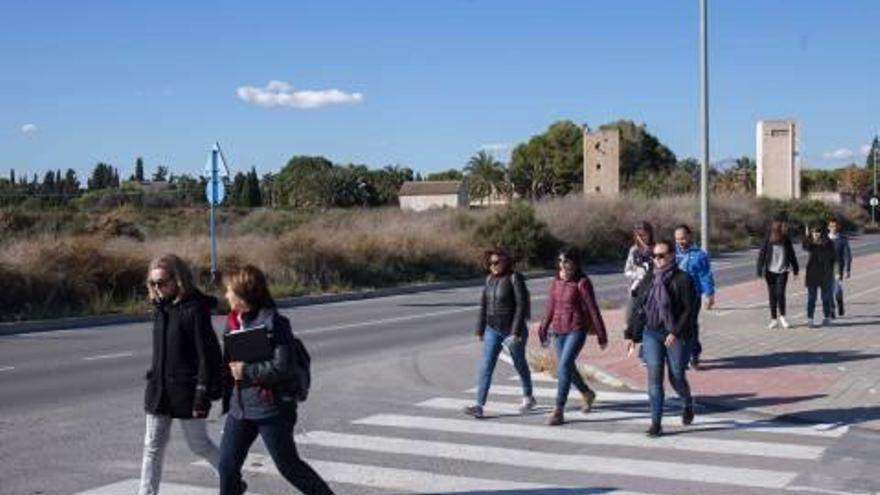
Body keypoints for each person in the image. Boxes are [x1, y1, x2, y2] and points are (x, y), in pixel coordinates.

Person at [219, 265, 334, 495]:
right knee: (227, 466)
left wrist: (247, 371)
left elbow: (283, 367)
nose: (225, 295)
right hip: (240, 408)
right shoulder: (232, 322)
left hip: (271, 409)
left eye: (229, 290)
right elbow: (227, 364)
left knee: (288, 466)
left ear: (243, 294)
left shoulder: (275, 323)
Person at [140, 254, 223, 495]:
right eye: (153, 283)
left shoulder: (194, 309)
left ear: (178, 280)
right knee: (152, 447)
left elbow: (207, 355)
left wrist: (202, 393)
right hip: (159, 391)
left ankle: (231, 479)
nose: (157, 288)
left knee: (199, 446)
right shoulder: (160, 308)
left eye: (162, 282)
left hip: (187, 392)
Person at [625, 240, 697, 438]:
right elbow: (640, 308)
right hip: (652, 333)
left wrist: (676, 332)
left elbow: (689, 310)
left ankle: (687, 402)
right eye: (654, 256)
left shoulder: (684, 279)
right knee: (654, 377)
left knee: (676, 376)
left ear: (672, 255)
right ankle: (656, 423)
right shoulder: (649, 279)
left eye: (662, 255)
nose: (657, 260)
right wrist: (631, 334)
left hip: (676, 334)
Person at [538, 247, 608, 426]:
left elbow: (593, 309)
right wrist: (543, 328)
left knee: (563, 366)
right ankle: (587, 393)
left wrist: (601, 333)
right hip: (558, 331)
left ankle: (558, 410)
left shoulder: (582, 283)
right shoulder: (555, 282)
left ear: (575, 264)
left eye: (567, 261)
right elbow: (550, 308)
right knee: (567, 367)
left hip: (576, 329)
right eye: (560, 261)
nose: (562, 265)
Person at [464, 248, 536, 418]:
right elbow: (484, 306)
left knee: (519, 363)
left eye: (497, 262)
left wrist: (516, 331)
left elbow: (521, 305)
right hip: (492, 329)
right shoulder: (488, 279)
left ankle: (528, 396)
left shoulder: (514, 278)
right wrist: (480, 329)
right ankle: (479, 405)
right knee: (486, 366)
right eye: (490, 263)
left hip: (512, 329)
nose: (493, 266)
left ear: (506, 262)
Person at [674, 224, 715, 369]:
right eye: (678, 239)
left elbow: (705, 275)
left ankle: (694, 355)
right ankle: (679, 355)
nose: (680, 242)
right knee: (676, 326)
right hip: (674, 296)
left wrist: (709, 295)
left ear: (689, 236)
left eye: (683, 238)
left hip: (692, 296)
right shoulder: (671, 253)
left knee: (690, 325)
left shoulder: (699, 255)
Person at [756, 220, 799, 329]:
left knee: (780, 293)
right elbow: (762, 254)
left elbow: (792, 255)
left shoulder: (786, 240)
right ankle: (773, 319)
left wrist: (796, 269)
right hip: (770, 271)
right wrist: (759, 270)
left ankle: (783, 317)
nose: (779, 231)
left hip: (782, 270)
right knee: (772, 295)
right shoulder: (768, 239)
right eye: (777, 230)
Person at [624, 222, 655, 366]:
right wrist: (638, 274)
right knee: (633, 318)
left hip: (653, 289)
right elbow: (627, 270)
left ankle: (646, 351)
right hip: (637, 289)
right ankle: (635, 341)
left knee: (649, 320)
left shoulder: (656, 249)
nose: (642, 238)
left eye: (644, 234)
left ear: (650, 234)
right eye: (639, 235)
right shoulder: (633, 250)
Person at [803, 225, 837, 328]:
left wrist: (833, 272)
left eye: (818, 232)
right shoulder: (811, 244)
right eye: (814, 232)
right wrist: (807, 235)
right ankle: (810, 319)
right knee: (811, 298)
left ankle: (827, 317)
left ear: (821, 233)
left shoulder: (828, 243)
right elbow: (805, 245)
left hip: (825, 275)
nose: (816, 234)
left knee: (826, 298)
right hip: (812, 275)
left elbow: (834, 258)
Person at [827, 219, 852, 317]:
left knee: (837, 289)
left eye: (835, 226)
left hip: (838, 266)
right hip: (826, 267)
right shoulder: (825, 239)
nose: (833, 228)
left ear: (838, 227)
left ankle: (840, 303)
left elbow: (848, 255)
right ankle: (832, 308)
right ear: (828, 227)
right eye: (831, 226)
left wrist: (848, 269)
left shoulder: (842, 239)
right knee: (828, 289)